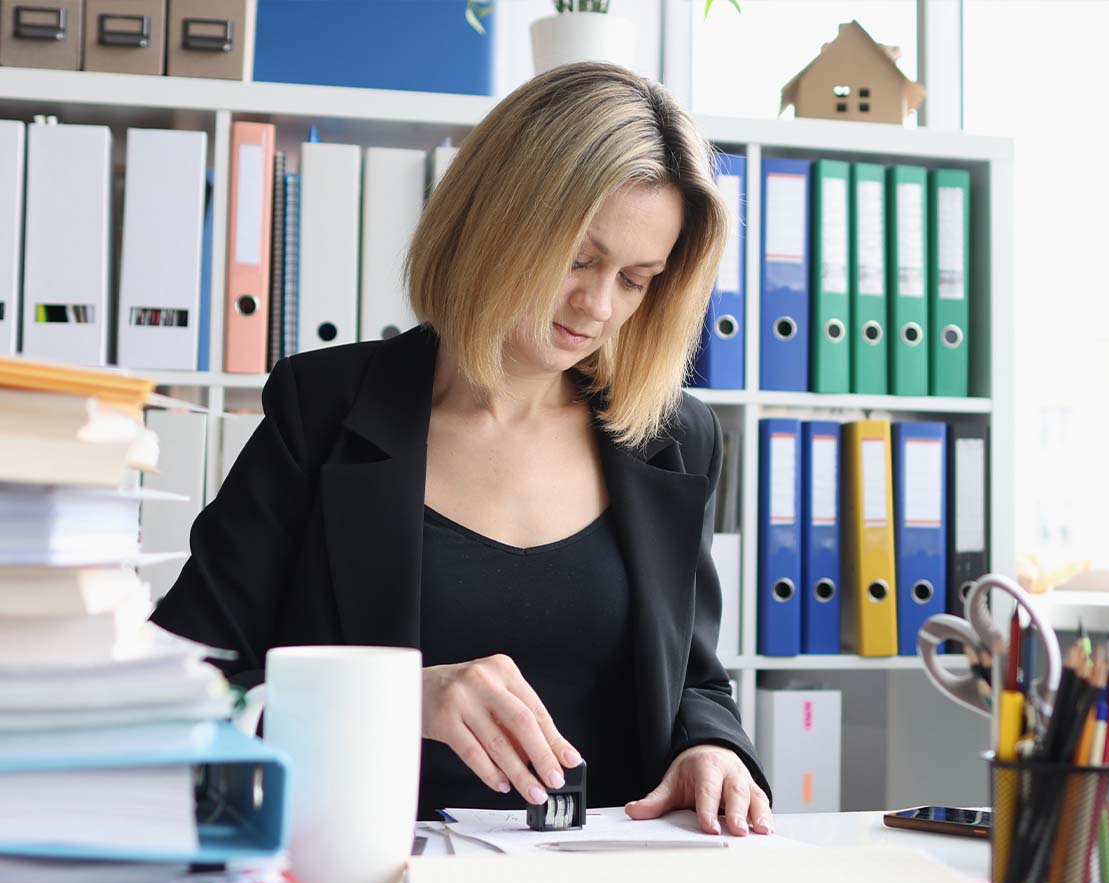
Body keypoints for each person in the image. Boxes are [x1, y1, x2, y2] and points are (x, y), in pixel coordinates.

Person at [151, 61, 773, 837]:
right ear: (496, 220)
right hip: (363, 870)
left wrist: (713, 749)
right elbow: (180, 686)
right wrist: (395, 698)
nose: (598, 305)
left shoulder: (673, 437)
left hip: (607, 880)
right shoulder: (323, 410)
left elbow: (697, 680)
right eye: (579, 258)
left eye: (637, 279)